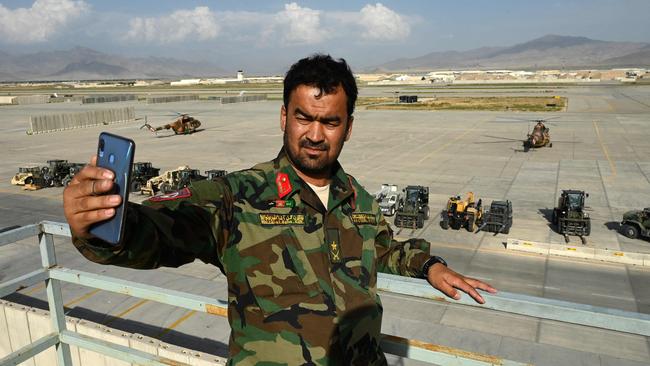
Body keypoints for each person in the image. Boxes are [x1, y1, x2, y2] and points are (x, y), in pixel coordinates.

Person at [63, 54, 496, 365]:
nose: (314, 134)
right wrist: (102, 225)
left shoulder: (356, 198)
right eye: (304, 118)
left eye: (330, 122)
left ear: (348, 128)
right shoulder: (239, 195)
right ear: (283, 116)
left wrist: (430, 266)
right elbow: (170, 229)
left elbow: (382, 248)